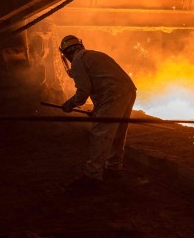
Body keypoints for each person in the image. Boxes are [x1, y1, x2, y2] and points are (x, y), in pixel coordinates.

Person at [58, 35, 137, 188]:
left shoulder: (78, 61)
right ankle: (113, 167)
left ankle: (92, 175)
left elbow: (83, 91)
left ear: (66, 53)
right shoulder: (95, 55)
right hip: (128, 91)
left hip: (113, 94)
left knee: (100, 132)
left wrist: (70, 104)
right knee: (118, 132)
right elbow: (101, 82)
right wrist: (97, 109)